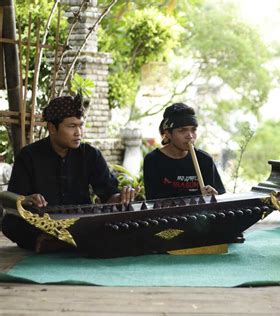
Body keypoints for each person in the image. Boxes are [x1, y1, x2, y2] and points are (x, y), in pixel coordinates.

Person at [2, 94, 136, 251]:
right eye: (72, 126)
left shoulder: (91, 155)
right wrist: (27, 199)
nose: (78, 132)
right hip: (43, 222)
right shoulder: (29, 156)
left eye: (81, 125)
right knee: (10, 222)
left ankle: (54, 243)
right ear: (52, 128)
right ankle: (51, 241)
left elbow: (108, 195)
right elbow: (14, 200)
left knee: (115, 220)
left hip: (81, 221)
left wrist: (122, 197)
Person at [144, 103, 225, 199]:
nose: (190, 136)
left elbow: (220, 196)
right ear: (168, 134)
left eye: (193, 130)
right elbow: (152, 200)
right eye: (182, 130)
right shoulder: (153, 160)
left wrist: (215, 197)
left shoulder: (204, 160)